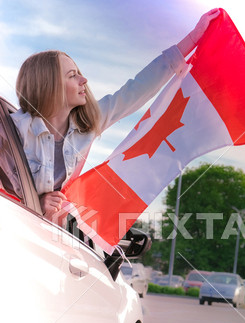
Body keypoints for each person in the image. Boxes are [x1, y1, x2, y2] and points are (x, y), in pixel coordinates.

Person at [11, 8, 220, 220]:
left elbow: (137, 89)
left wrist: (193, 39)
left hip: (48, 232)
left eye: (79, 74)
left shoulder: (89, 121)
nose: (84, 81)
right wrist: (35, 203)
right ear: (49, 85)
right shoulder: (13, 128)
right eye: (72, 76)